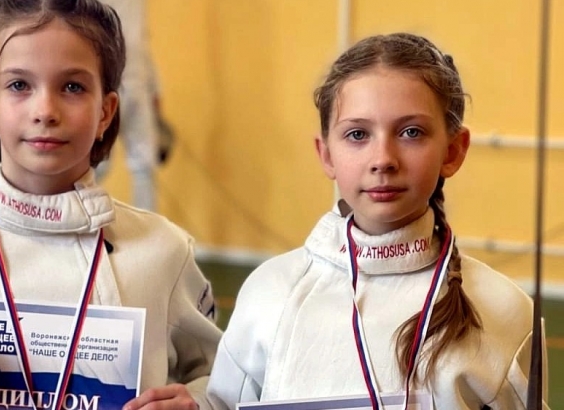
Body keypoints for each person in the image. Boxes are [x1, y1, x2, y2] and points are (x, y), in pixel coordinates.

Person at [0, 1, 221, 409]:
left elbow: (223, 383)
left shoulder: (164, 253)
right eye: (19, 85)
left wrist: (197, 403)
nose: (45, 111)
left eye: (72, 87)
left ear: (106, 112)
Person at [206, 33, 550, 409]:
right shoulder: (269, 294)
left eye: (411, 132)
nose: (383, 159)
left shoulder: (505, 311)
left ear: (453, 151)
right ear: (326, 154)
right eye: (357, 134)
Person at [95, 0, 162, 212]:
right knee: (95, 165)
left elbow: (141, 41)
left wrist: (155, 89)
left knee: (145, 165)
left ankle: (149, 227)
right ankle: (78, 221)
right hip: (105, 88)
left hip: (137, 87)